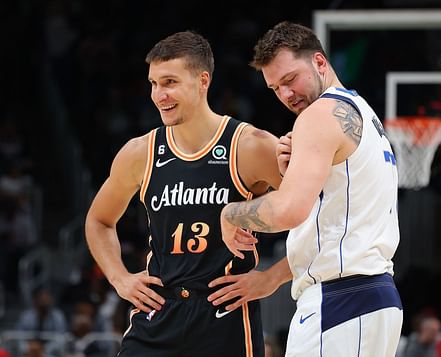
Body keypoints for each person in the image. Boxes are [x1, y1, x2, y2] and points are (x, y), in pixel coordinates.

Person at [84, 30, 283, 356]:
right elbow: (99, 220)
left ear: (203, 80)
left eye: (170, 82)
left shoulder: (250, 146)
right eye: (153, 84)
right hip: (159, 311)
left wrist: (273, 278)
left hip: (224, 313)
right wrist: (120, 278)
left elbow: (324, 209)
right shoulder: (140, 153)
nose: (158, 94)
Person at [212, 21, 404, 356]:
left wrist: (231, 214)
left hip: (342, 301)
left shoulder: (321, 114)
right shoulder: (363, 114)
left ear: (319, 62)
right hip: (365, 297)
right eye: (275, 88)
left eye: (290, 79)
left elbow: (288, 210)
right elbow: (333, 225)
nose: (286, 94)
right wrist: (271, 278)